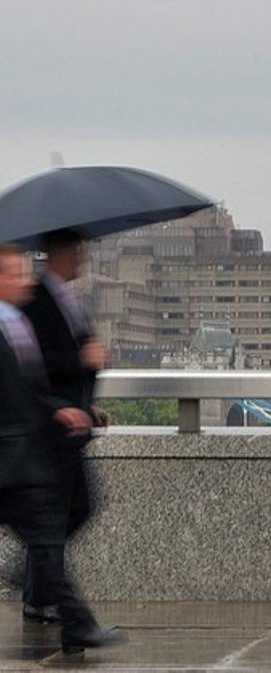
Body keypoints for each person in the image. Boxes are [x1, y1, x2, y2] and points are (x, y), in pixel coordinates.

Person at [0, 243, 121, 653]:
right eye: (14, 275)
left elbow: (29, 386)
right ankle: (74, 622)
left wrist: (69, 409)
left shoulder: (16, 323)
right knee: (46, 541)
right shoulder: (15, 320)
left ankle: (75, 625)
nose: (24, 282)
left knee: (47, 540)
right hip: (15, 456)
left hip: (25, 452)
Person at [19, 229, 108, 623]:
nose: (83, 256)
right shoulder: (37, 299)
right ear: (61, 252)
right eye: (78, 249)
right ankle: (39, 588)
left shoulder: (68, 299)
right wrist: (82, 361)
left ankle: (37, 587)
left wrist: (92, 405)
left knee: (74, 511)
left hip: (74, 423)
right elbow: (35, 363)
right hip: (52, 428)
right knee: (66, 513)